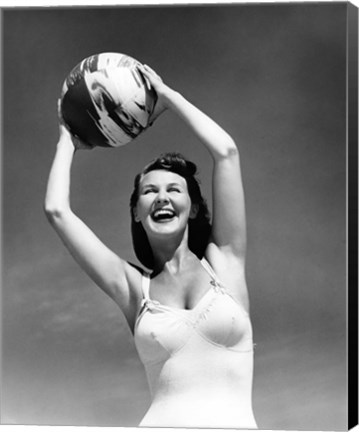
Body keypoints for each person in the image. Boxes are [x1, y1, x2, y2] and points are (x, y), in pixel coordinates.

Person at [44, 64, 258, 429]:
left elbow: (226, 153)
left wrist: (167, 96)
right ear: (137, 211)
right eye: (149, 191)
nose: (162, 198)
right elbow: (57, 210)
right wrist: (67, 139)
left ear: (192, 208)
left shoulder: (225, 262)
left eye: (174, 190)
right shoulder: (134, 290)